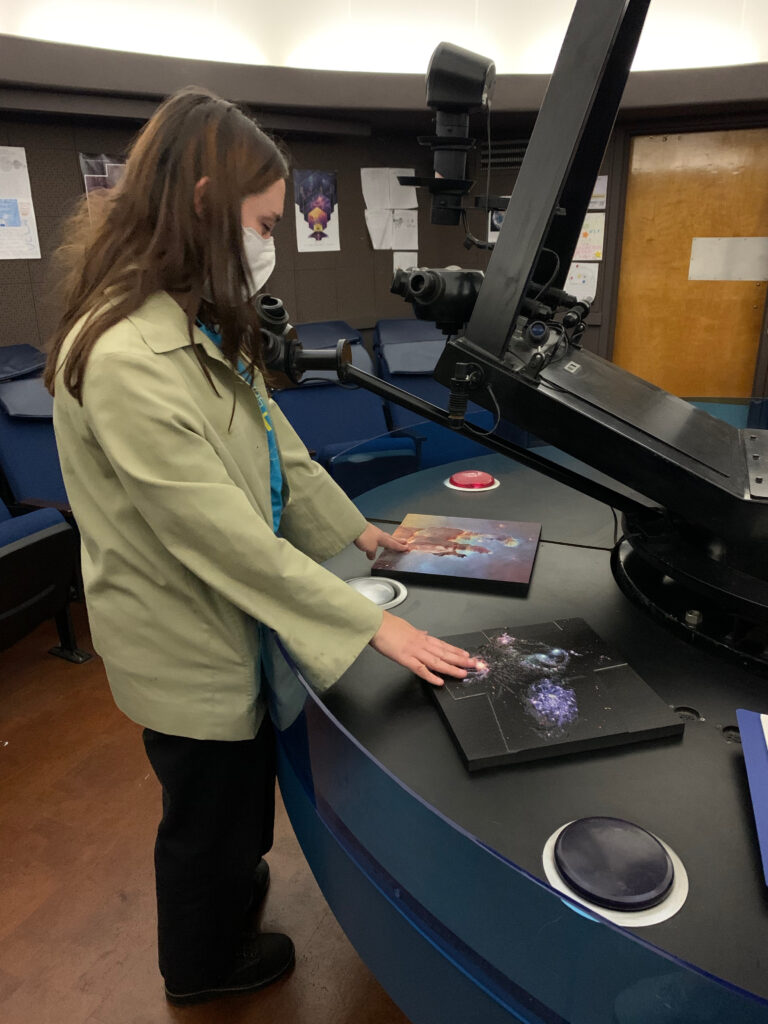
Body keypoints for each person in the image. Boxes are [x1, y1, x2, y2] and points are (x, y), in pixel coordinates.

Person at [45, 86, 475, 1006]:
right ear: (204, 204)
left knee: (238, 807)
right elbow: (225, 538)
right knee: (207, 819)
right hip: (183, 635)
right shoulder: (124, 353)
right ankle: (197, 970)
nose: (273, 241)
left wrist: (366, 535)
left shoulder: (190, 319)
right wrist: (369, 628)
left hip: (225, 618)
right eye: (266, 221)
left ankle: (231, 895)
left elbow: (276, 444)